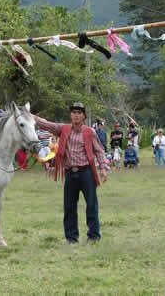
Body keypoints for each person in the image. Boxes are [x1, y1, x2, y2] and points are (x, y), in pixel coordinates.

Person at [34, 102, 109, 244]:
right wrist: (29, 115)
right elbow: (47, 124)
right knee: (69, 207)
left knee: (91, 204)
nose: (76, 115)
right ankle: (71, 238)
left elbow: (99, 151)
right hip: (70, 173)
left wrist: (103, 168)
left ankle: (93, 236)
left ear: (84, 116)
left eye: (79, 113)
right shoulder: (63, 129)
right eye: (73, 112)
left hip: (86, 172)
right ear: (70, 115)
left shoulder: (89, 132)